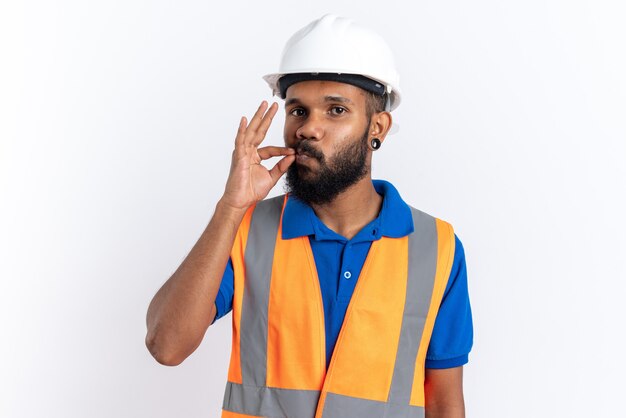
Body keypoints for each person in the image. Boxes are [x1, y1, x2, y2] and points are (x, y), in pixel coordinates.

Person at [146, 14, 473, 418]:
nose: (308, 129)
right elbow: (166, 345)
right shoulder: (246, 231)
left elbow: (444, 401)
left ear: (379, 127)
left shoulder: (436, 248)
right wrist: (230, 208)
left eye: (336, 110)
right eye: (298, 111)